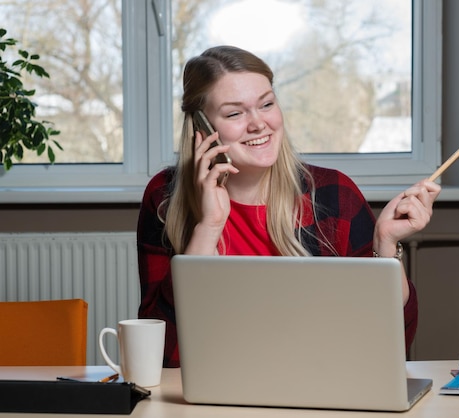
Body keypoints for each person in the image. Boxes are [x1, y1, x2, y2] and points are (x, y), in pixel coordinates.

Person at [137, 45, 441, 368]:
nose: (258, 124)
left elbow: (389, 345)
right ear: (202, 128)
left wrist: (385, 244)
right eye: (235, 113)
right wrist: (208, 227)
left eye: (266, 104)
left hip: (318, 389)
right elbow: (163, 354)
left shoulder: (333, 195)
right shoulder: (165, 198)